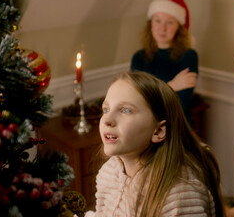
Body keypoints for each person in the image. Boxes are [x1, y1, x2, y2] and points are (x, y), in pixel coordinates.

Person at [85, 71, 225, 216]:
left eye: (125, 110)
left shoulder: (179, 196)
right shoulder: (108, 172)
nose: (107, 119)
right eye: (106, 109)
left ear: (158, 131)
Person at [130, 0, 198, 127]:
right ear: (150, 24)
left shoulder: (189, 56)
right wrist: (172, 85)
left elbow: (180, 104)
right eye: (158, 21)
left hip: (178, 127)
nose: (162, 28)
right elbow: (136, 101)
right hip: (145, 128)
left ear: (178, 27)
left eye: (170, 22)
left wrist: (149, 94)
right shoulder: (138, 58)